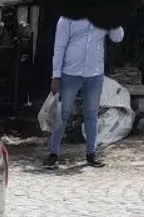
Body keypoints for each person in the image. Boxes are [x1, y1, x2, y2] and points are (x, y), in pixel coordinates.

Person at [45, 11, 124, 169]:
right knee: (63, 113)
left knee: (92, 113)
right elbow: (59, 47)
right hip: (70, 72)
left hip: (94, 73)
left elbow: (118, 37)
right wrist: (56, 76)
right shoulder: (67, 17)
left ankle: (91, 154)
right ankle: (53, 153)